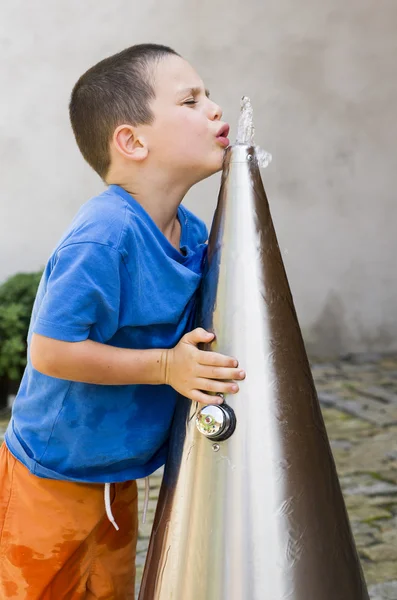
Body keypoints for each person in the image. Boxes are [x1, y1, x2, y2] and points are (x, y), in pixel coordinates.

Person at [0, 43, 246, 599]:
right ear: (132, 141)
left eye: (208, 95)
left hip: (115, 475)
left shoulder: (192, 232)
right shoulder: (104, 236)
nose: (213, 109)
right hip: (50, 474)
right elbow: (49, 350)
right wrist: (167, 366)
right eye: (190, 99)